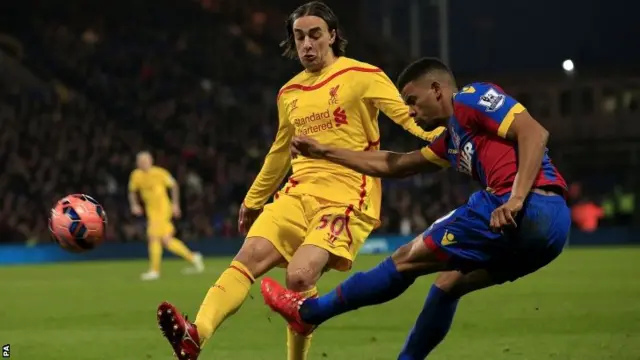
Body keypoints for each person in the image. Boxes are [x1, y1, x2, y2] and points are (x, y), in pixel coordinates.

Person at [155, 2, 443, 360]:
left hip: (348, 194)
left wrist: (445, 138)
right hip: (298, 191)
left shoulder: (362, 75)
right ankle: (195, 335)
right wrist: (253, 199)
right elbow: (279, 154)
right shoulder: (289, 93)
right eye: (300, 36)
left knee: (299, 276)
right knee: (247, 258)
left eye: (315, 35)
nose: (307, 44)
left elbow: (408, 117)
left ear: (332, 36)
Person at [260, 57, 571, 360]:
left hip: (525, 204)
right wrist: (326, 151)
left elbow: (534, 132)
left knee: (405, 258)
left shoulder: (470, 98)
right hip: (551, 233)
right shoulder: (451, 141)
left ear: (437, 89)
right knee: (447, 285)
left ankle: (309, 313)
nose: (409, 111)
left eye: (412, 99)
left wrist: (516, 198)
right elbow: (398, 164)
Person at [128, 151, 204, 280]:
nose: (143, 164)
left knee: (153, 237)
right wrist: (134, 205)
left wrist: (175, 204)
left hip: (163, 210)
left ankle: (154, 271)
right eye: (141, 162)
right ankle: (193, 257)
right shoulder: (136, 175)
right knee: (166, 241)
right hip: (151, 212)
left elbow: (174, 185)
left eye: (146, 161)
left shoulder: (159, 173)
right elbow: (132, 191)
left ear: (151, 161)